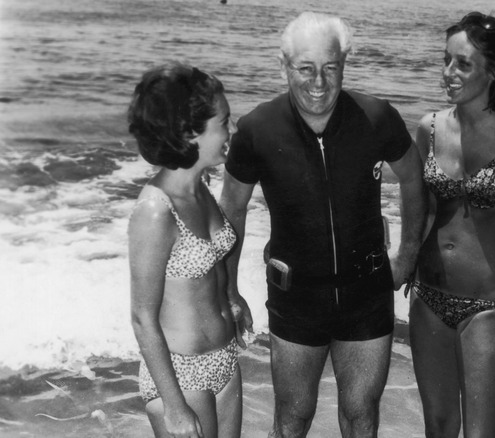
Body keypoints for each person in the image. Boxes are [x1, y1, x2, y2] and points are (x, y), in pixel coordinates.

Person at [219, 12, 426, 438]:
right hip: (297, 298)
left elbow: (413, 177)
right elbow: (232, 210)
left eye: (331, 68)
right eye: (305, 69)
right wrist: (229, 289)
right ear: (284, 66)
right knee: (293, 417)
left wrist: (407, 253)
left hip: (366, 294)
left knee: (361, 413)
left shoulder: (377, 117)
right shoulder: (256, 129)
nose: (319, 83)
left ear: (344, 64)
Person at [408, 12, 495, 437]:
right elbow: (421, 212)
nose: (449, 73)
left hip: (490, 308)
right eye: (446, 60)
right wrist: (403, 260)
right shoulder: (428, 128)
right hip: (428, 297)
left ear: (494, 69)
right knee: (438, 427)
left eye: (463, 63)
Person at [128, 63, 252, 438]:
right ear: (188, 132)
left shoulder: (200, 186)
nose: (232, 130)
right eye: (223, 122)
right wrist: (174, 406)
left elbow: (211, 263)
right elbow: (141, 317)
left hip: (225, 360)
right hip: (181, 376)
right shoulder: (155, 210)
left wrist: (231, 296)